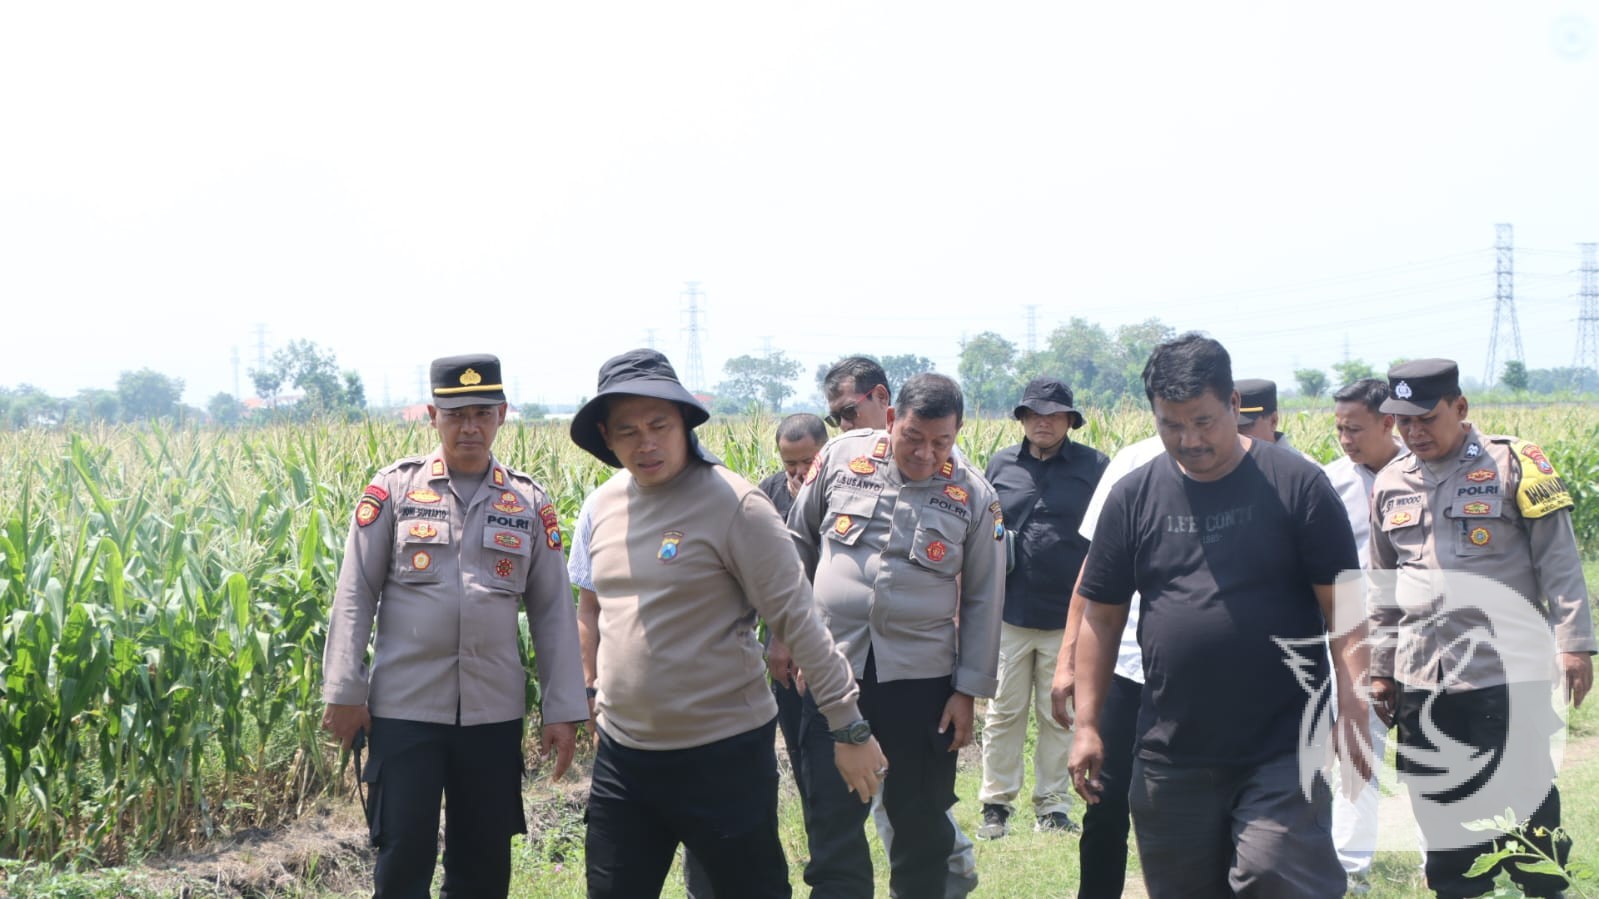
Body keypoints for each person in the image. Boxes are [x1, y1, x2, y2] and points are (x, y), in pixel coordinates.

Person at [571, 348, 885, 899]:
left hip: (722, 755)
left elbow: (800, 620)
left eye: (658, 426)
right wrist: (591, 691)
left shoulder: (735, 505)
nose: (645, 443)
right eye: (627, 431)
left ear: (684, 423)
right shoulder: (602, 507)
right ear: (606, 437)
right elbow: (596, 612)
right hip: (625, 757)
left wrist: (848, 725)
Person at [1067, 334, 1367, 899]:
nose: (1190, 440)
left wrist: (1353, 707)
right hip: (1171, 750)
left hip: (1283, 745)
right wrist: (1087, 725)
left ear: (1233, 403)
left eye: (1203, 421)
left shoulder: (1297, 485)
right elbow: (1100, 618)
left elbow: (1344, 609)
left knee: (1273, 875)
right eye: (1171, 425)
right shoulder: (1133, 496)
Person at [321, 353, 588, 899]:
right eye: (456, 414)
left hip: (493, 714)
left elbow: (554, 613)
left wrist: (562, 708)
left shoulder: (527, 502)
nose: (470, 427)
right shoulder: (394, 490)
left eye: (482, 413)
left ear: (502, 415)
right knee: (402, 856)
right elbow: (355, 593)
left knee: (483, 863)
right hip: (405, 710)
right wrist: (345, 691)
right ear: (432, 416)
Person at [1366, 358, 1596, 899]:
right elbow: (1381, 587)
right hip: (1423, 676)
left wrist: (1575, 644)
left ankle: (1543, 889)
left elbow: (1559, 561)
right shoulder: (1391, 481)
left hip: (1504, 671)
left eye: (1426, 418)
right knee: (1438, 801)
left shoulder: (1514, 464)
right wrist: (1380, 670)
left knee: (1526, 800)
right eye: (1404, 422)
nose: (1414, 432)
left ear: (1461, 407)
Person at [788, 372, 1004, 899]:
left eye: (941, 441)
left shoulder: (974, 495)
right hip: (834, 670)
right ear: (890, 419)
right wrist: (789, 637)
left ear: (957, 433)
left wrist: (967, 692)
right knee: (832, 821)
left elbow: (984, 598)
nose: (926, 453)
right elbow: (796, 543)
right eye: (914, 437)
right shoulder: (840, 458)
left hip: (922, 686)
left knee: (920, 823)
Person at [975, 377, 1106, 840]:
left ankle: (1052, 806)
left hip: (1069, 617)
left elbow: (1107, 537)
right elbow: (982, 528)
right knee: (1003, 713)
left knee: (1059, 716)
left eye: (1052, 415)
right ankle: (996, 804)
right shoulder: (1000, 464)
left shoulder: (1095, 466)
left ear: (1070, 420)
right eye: (1033, 414)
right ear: (1022, 419)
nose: (1042, 423)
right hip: (1009, 611)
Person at [1053, 434, 1164, 899]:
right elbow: (1093, 570)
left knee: (1185, 811)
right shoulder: (1134, 461)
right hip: (1125, 666)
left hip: (1198, 677)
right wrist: (1067, 659)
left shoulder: (1260, 470)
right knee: (1103, 801)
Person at [1321, 377, 1406, 892]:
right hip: (1354, 639)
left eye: (1354, 429)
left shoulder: (1423, 473)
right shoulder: (1329, 484)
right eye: (1339, 429)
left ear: (1388, 422)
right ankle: (1351, 868)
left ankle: (1439, 861)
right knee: (1357, 750)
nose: (1345, 439)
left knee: (1430, 753)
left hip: (1419, 636)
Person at [1235, 377, 1307, 457]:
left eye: (1244, 427)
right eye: (1232, 427)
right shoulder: (1230, 463)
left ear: (1273, 421)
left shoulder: (1300, 464)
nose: (1238, 436)